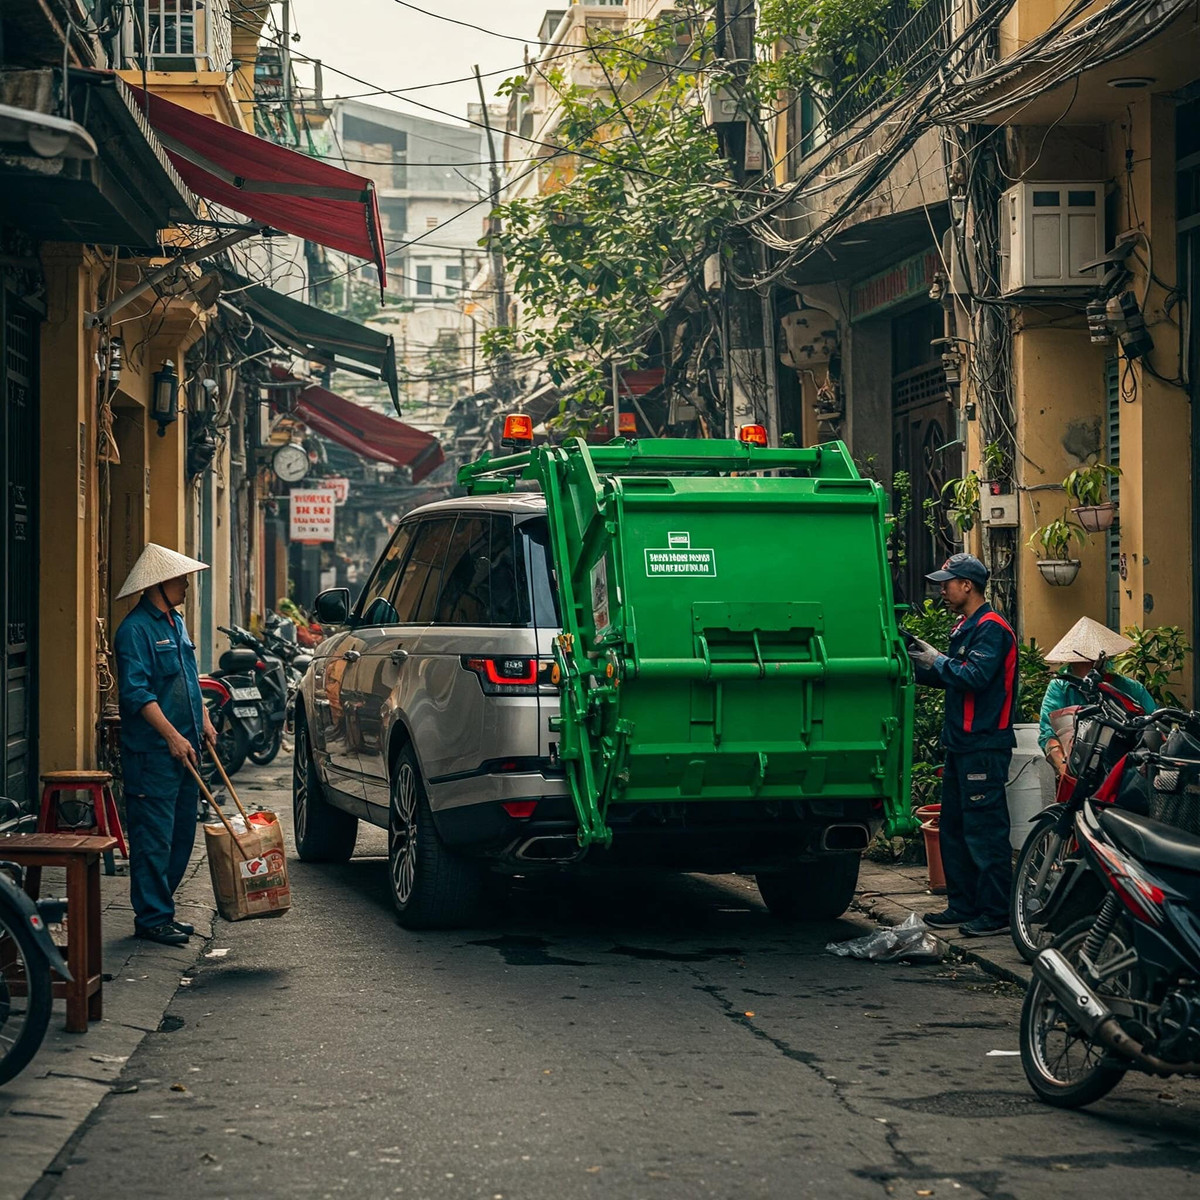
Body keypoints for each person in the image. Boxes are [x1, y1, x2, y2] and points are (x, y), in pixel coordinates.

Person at [906, 553, 1019, 938]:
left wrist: (937, 660)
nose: (942, 589)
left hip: (983, 745)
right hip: (961, 744)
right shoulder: (967, 626)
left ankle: (996, 913)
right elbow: (952, 677)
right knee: (954, 827)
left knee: (984, 832)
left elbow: (974, 676)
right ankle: (963, 905)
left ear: (967, 585)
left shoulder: (992, 629)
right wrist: (920, 663)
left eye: (947, 583)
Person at [113, 544, 218, 946]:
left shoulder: (177, 623)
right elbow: (136, 694)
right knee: (153, 840)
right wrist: (171, 736)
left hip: (186, 749)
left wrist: (203, 718)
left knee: (181, 836)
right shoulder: (135, 630)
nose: (186, 585)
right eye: (180, 579)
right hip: (154, 754)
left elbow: (189, 677)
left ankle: (163, 910)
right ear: (159, 584)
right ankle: (152, 918)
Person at [1038, 616, 1156, 778]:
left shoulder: (1130, 688)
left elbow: (1153, 723)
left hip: (1126, 768)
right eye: (1082, 661)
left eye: (1094, 661)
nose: (1089, 666)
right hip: (1078, 765)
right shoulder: (1060, 687)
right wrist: (1063, 768)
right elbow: (1048, 734)